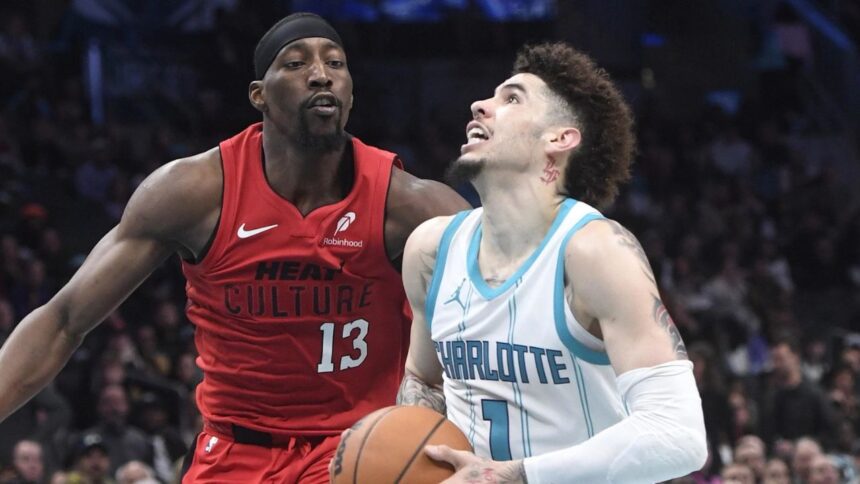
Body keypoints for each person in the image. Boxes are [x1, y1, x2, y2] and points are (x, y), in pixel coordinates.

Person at [0, 12, 468, 484]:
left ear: (350, 93)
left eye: (335, 63)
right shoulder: (195, 192)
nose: (321, 74)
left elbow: (503, 298)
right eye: (296, 63)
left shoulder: (408, 203)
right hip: (233, 450)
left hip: (357, 450)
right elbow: (64, 320)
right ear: (258, 95)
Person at [394, 42, 707, 483]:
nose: (480, 105)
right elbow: (424, 382)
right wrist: (395, 452)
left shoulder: (595, 252)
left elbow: (679, 437)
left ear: (559, 139)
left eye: (512, 98)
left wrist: (517, 475)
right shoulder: (430, 250)